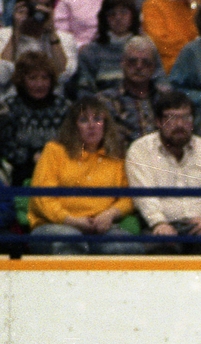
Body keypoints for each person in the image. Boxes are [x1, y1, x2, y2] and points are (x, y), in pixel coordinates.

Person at [125, 90, 201, 254]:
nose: (180, 124)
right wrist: (159, 223)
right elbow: (144, 196)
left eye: (186, 117)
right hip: (162, 227)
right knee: (158, 248)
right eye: (172, 118)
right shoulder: (140, 150)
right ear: (158, 122)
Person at [27, 96, 143, 255]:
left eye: (97, 119)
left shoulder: (116, 155)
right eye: (83, 120)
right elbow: (42, 197)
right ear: (73, 127)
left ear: (106, 125)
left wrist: (110, 214)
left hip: (100, 228)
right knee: (70, 240)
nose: (91, 126)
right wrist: (70, 220)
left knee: (126, 247)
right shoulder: (54, 150)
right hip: (55, 225)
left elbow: (128, 197)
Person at [0, 51, 71, 187]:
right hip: (19, 172)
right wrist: (31, 157)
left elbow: (71, 142)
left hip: (59, 171)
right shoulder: (9, 108)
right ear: (22, 80)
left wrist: (49, 157)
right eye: (33, 78)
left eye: (45, 78)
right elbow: (6, 146)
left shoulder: (64, 107)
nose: (40, 84)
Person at [73, 0, 166, 98]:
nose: (118, 18)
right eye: (112, 14)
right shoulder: (90, 52)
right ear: (104, 19)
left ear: (133, 16)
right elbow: (84, 90)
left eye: (124, 12)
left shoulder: (147, 47)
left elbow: (161, 81)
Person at [97, 35, 171, 143]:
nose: (139, 67)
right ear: (122, 63)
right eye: (132, 61)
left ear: (153, 67)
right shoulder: (106, 100)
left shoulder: (166, 98)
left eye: (145, 62)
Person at [0, 0, 78, 95]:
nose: (40, 10)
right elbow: (2, 76)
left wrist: (52, 33)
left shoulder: (65, 39)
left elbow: (63, 77)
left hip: (53, 102)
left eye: (46, 6)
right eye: (34, 5)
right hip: (11, 100)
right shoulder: (3, 36)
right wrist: (16, 32)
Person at [140, 0, 198, 74]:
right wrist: (192, 48)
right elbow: (161, 44)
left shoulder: (195, 4)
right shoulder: (153, 4)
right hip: (171, 68)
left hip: (200, 62)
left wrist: (194, 7)